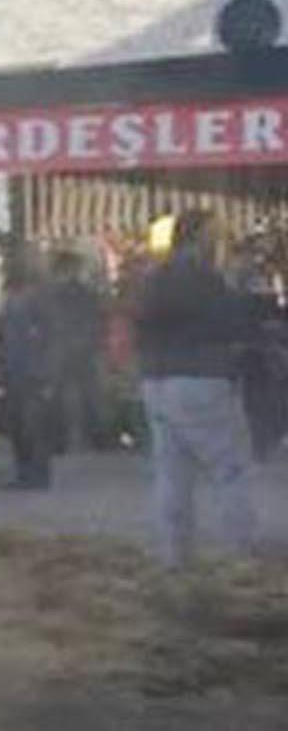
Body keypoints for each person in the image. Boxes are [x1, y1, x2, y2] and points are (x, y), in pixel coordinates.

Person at [131, 210, 260, 565]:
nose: (218, 240)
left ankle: (176, 557)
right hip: (201, 380)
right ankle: (240, 554)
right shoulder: (204, 277)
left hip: (156, 381)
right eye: (213, 233)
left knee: (172, 474)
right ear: (197, 236)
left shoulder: (155, 278)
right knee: (230, 468)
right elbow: (233, 322)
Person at [0, 253, 58, 491]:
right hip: (17, 371)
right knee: (19, 426)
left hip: (30, 372)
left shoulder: (32, 299)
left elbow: (49, 337)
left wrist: (47, 372)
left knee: (31, 426)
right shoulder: (10, 300)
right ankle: (26, 472)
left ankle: (36, 473)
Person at [42, 249, 108, 452]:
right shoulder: (86, 293)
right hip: (82, 347)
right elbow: (97, 319)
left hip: (60, 346)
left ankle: (58, 440)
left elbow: (46, 321)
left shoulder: (49, 293)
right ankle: (96, 438)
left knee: (59, 394)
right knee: (89, 394)